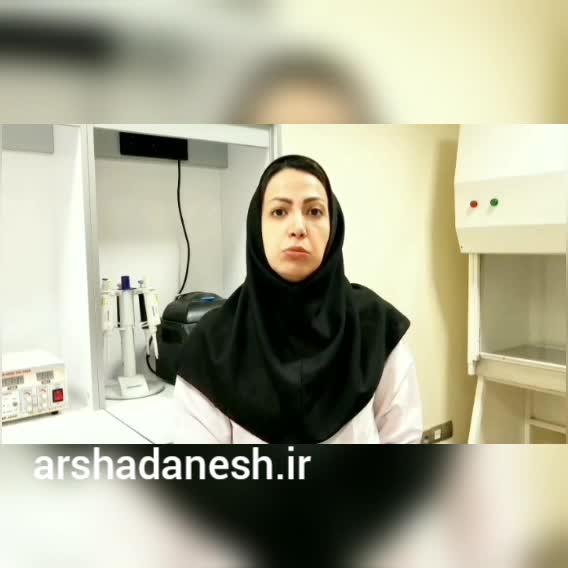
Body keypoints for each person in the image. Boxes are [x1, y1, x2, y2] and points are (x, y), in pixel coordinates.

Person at [172, 154, 423, 443]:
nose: (298, 227)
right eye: (279, 212)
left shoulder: (376, 328)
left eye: (314, 211)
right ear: (257, 226)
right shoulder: (212, 345)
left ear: (333, 226)